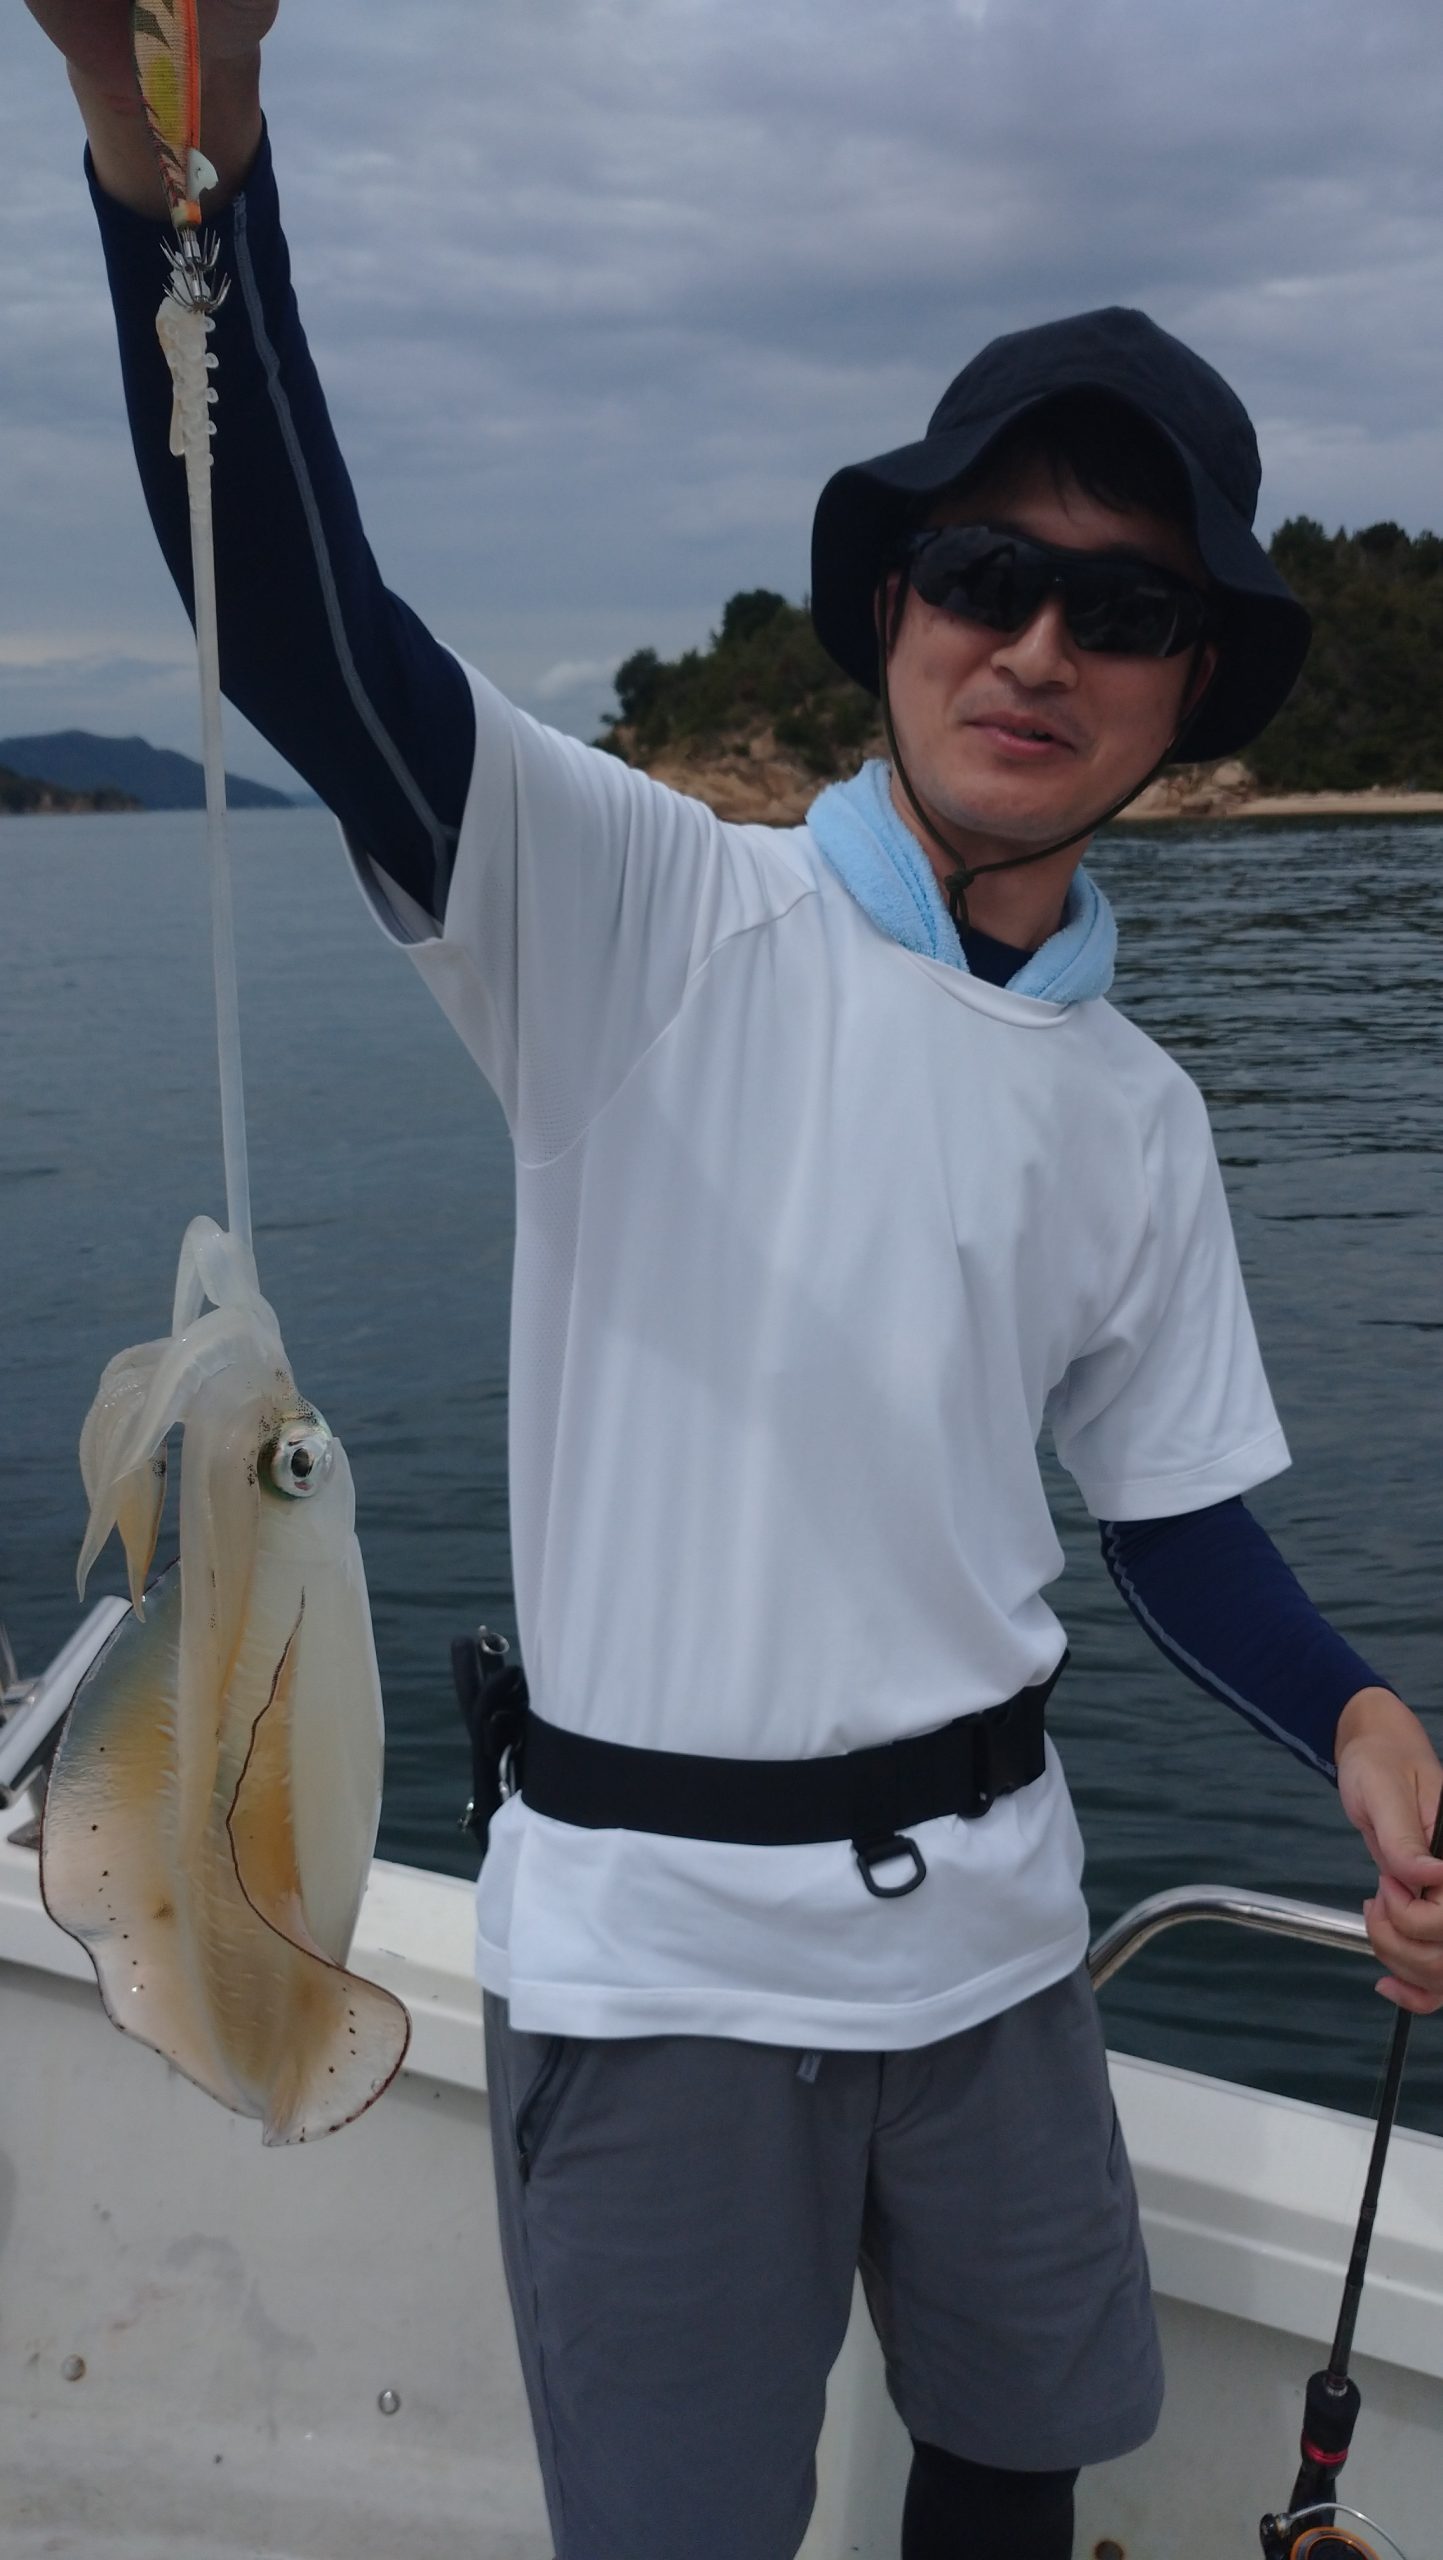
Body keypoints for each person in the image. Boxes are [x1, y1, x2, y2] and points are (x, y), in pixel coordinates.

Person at [25, 8, 1443, 2554]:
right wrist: (176, 167)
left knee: (1014, 2467)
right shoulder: (649, 915)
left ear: (1188, 688)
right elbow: (305, 639)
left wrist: (1350, 1714)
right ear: (892, 607)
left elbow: (1165, 1515)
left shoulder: (1133, 1107)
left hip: (998, 1941)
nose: (1037, 647)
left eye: (1119, 608)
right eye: (986, 577)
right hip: (657, 1958)